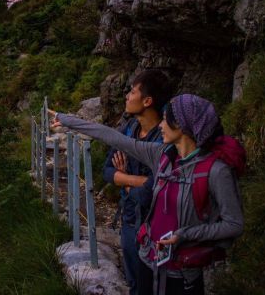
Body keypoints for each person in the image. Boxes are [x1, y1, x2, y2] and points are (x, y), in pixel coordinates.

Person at [50, 94, 244, 295]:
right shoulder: (161, 154)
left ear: (182, 126)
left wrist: (185, 235)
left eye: (166, 119)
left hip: (183, 273)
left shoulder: (216, 171)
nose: (160, 125)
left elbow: (234, 224)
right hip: (148, 260)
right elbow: (112, 137)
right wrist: (66, 120)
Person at [102, 69, 171, 295]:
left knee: (154, 283)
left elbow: (154, 188)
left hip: (156, 223)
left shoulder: (165, 137)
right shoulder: (129, 129)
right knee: (134, 282)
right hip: (130, 219)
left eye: (132, 92)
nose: (127, 96)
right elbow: (107, 170)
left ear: (147, 101)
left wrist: (124, 181)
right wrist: (136, 181)